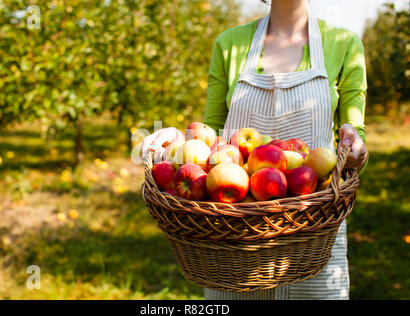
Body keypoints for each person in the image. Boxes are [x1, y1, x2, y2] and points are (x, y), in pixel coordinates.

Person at [141, 0, 368, 300]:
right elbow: (212, 141)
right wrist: (175, 144)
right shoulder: (229, 44)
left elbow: (354, 140)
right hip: (234, 241)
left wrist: (357, 152)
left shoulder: (344, 44)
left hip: (313, 235)